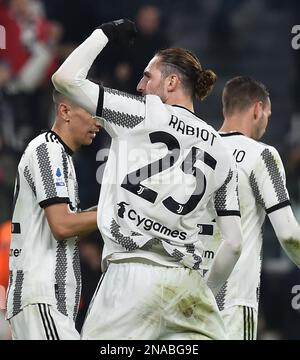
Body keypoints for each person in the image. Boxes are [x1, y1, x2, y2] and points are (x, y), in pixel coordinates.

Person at [52, 19, 242, 340]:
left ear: (170, 82)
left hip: (130, 275)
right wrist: (201, 289)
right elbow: (234, 245)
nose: (140, 86)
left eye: (147, 76)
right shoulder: (221, 148)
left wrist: (105, 34)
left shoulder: (141, 112)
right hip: (189, 286)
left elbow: (65, 79)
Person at [200, 76, 300, 340]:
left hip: (188, 299)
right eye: (267, 114)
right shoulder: (261, 155)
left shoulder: (196, 151)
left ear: (225, 108)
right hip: (232, 301)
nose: (266, 123)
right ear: (257, 109)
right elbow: (289, 234)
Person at [6, 89, 100, 340]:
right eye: (92, 113)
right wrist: (113, 213)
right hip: (43, 295)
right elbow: (62, 225)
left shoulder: (61, 156)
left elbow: (67, 222)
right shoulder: (47, 150)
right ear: (65, 111)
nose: (98, 123)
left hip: (47, 301)